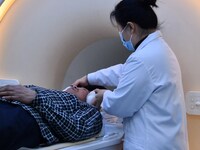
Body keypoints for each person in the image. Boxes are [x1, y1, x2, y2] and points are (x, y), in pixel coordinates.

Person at [70, 0, 189, 149]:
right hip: (166, 140)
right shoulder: (158, 50)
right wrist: (89, 78)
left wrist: (103, 95)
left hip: (151, 144)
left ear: (131, 27)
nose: (120, 35)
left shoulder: (143, 58)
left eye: (120, 29)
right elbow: (124, 71)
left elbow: (120, 106)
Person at [0, 84, 102, 150]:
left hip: (25, 117)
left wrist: (36, 98)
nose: (75, 86)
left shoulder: (88, 110)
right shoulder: (45, 89)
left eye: (83, 89)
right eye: (76, 85)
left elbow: (77, 130)